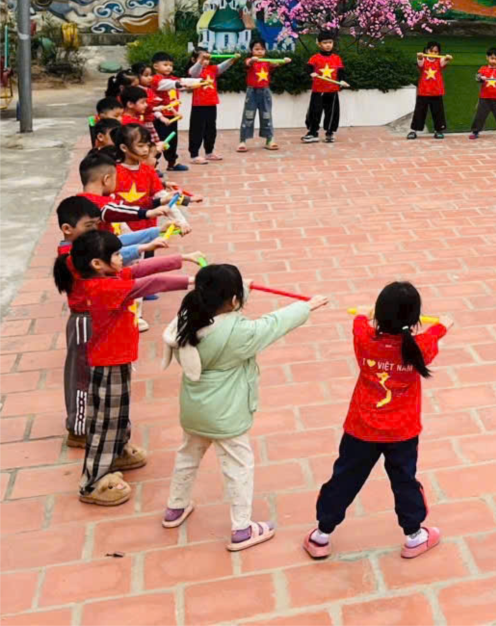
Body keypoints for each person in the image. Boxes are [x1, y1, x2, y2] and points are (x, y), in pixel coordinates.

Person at [162, 265, 326, 549]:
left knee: (187, 455)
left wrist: (243, 291)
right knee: (238, 467)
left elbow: (225, 313)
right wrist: (306, 306)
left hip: (194, 409)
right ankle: (242, 529)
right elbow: (273, 324)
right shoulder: (240, 333)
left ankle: (175, 508)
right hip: (226, 414)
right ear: (234, 299)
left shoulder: (187, 318)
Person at [305, 283, 451, 561]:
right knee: (404, 481)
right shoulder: (419, 346)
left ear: (379, 314)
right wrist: (443, 325)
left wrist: (363, 314)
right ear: (414, 319)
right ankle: (414, 536)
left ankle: (321, 535)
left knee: (344, 478)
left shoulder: (364, 338)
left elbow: (359, 322)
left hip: (361, 428)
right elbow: (436, 333)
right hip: (402, 433)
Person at [70, 230, 199, 506]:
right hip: (108, 364)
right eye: (116, 254)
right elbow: (151, 283)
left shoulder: (111, 277)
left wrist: (182, 258)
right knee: (105, 422)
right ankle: (92, 483)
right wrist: (192, 281)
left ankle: (117, 452)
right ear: (97, 263)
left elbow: (141, 269)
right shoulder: (103, 288)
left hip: (118, 360)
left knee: (119, 415)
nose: (122, 258)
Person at [53, 194, 168, 448]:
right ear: (67, 229)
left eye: (97, 225)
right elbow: (114, 254)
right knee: (82, 375)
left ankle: (94, 421)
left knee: (94, 375)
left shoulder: (81, 248)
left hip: (96, 319)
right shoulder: (72, 255)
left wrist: (152, 236)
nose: (95, 231)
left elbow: (116, 246)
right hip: (84, 321)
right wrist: (143, 247)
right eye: (89, 226)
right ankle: (78, 429)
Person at [147, 52, 202, 172]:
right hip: (159, 117)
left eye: (171, 65)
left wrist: (200, 81)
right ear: (155, 66)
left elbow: (184, 81)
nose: (169, 67)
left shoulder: (173, 78)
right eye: (165, 65)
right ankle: (152, 166)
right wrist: (179, 84)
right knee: (159, 142)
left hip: (172, 116)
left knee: (172, 141)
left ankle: (172, 163)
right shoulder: (156, 79)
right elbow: (167, 84)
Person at [187, 48, 239, 165]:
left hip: (211, 104)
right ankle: (194, 155)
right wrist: (200, 61)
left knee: (211, 129)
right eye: (203, 58)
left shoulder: (212, 69)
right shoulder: (196, 71)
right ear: (194, 60)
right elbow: (193, 72)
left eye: (207, 59)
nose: (206, 61)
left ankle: (209, 152)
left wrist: (232, 59)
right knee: (197, 130)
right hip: (198, 105)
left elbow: (223, 66)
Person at [238, 41, 291, 152]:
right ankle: (243, 140)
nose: (259, 51)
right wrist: (252, 60)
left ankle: (269, 139)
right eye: (256, 49)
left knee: (266, 115)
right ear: (251, 50)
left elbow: (276, 63)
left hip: (265, 92)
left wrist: (284, 61)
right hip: (252, 92)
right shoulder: (249, 60)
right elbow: (248, 63)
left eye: (262, 49)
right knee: (248, 115)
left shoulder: (267, 62)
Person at [303, 31, 349, 144]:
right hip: (318, 90)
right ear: (319, 44)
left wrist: (342, 80)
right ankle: (313, 132)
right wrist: (311, 73)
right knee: (315, 112)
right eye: (325, 43)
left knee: (332, 113)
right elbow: (308, 67)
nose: (328, 45)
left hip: (332, 91)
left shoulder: (336, 58)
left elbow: (341, 71)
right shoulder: (315, 58)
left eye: (330, 42)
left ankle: (329, 133)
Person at [408, 42, 450, 140]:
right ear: (427, 51)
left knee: (438, 112)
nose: (433, 53)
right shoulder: (423, 60)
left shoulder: (439, 61)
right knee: (419, 112)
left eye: (436, 52)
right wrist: (419, 57)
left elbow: (444, 61)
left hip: (436, 92)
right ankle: (414, 130)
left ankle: (438, 130)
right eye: (431, 51)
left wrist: (447, 58)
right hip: (424, 91)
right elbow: (420, 62)